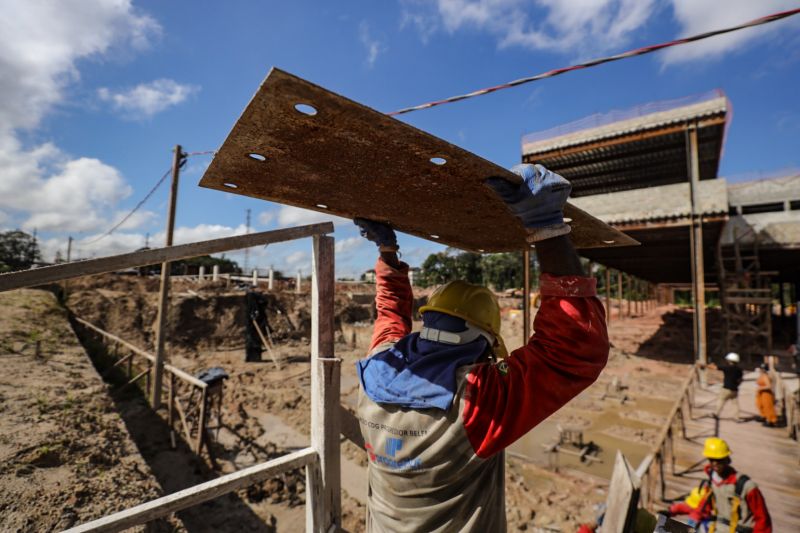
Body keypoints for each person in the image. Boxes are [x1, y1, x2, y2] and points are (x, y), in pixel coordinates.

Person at [354, 164, 609, 532]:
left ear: (430, 322)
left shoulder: (377, 365)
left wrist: (387, 250)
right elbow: (575, 347)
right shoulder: (475, 402)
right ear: (485, 343)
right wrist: (546, 226)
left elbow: (390, 314)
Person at [689, 437, 772, 532]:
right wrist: (690, 522)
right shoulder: (712, 481)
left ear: (727, 459)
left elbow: (762, 519)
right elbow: (704, 507)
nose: (715, 463)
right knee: (671, 526)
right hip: (717, 528)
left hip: (739, 530)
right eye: (712, 460)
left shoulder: (747, 486)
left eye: (719, 459)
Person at [715, 352, 744, 421]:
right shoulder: (739, 370)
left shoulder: (726, 368)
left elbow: (715, 367)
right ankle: (737, 417)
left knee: (721, 400)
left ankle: (716, 414)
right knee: (735, 404)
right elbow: (740, 379)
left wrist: (704, 366)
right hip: (735, 389)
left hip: (726, 388)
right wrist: (737, 385)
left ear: (729, 360)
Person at [244, 284, 268, 362]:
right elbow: (252, 308)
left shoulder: (256, 297)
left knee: (254, 339)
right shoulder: (251, 296)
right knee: (252, 339)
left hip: (257, 321)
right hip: (252, 321)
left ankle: (254, 357)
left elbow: (262, 304)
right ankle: (252, 357)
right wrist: (254, 313)